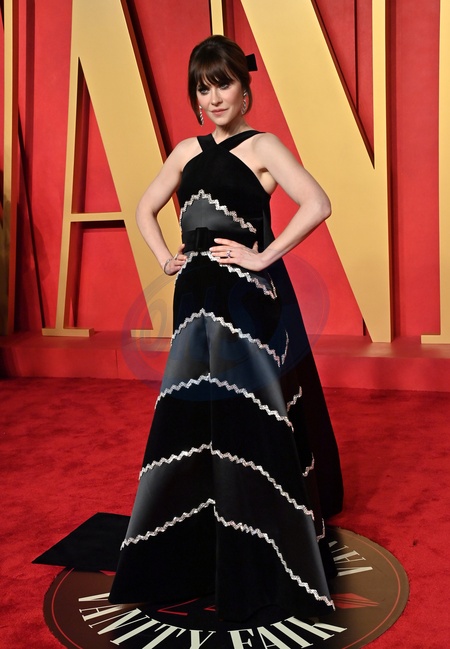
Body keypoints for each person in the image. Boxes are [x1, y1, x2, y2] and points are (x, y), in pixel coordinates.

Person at [109, 34, 343, 622]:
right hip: (193, 299)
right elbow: (144, 208)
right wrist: (166, 257)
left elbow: (317, 203)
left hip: (243, 300)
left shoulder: (263, 145)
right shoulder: (185, 151)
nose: (213, 98)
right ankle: (200, 539)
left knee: (246, 417)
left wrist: (263, 257)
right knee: (194, 417)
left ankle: (259, 542)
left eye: (223, 84)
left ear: (245, 89)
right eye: (202, 88)